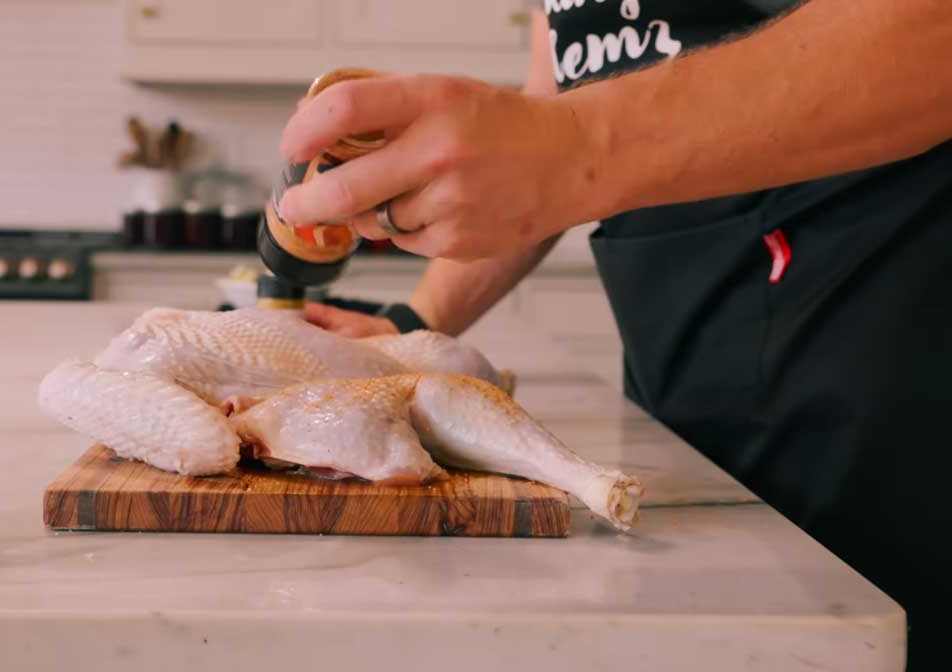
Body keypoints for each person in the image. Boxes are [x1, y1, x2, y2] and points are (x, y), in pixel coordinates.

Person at [276, 2, 952, 670]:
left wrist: (570, 145)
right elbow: (559, 94)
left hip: (888, 339)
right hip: (689, 370)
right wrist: (413, 322)